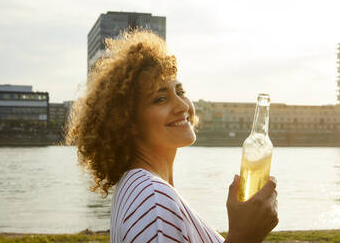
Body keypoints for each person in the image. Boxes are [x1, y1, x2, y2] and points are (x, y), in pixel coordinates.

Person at [66, 30, 278, 243]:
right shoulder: (153, 199)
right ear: (128, 122)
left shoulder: (145, 190)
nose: (182, 105)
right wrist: (244, 236)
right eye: (160, 99)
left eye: (180, 91)